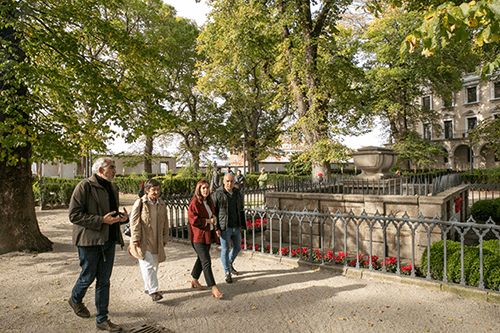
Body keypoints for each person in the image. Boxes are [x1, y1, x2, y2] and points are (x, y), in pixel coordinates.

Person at [68, 157, 128, 332]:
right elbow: (74, 215)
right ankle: (75, 299)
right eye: (111, 168)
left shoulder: (113, 187)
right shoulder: (84, 186)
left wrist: (121, 219)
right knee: (88, 276)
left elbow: (110, 214)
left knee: (104, 280)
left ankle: (102, 319)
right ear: (100, 170)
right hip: (88, 241)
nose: (115, 171)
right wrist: (101, 220)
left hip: (108, 240)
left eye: (114, 167)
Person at [129, 179, 169, 302]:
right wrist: (135, 238)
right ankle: (154, 292)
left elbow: (166, 222)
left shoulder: (161, 204)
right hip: (143, 239)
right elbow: (134, 222)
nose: (156, 192)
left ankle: (148, 287)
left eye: (158, 189)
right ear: (147, 191)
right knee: (148, 265)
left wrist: (165, 237)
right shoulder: (140, 203)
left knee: (155, 265)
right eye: (153, 190)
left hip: (157, 239)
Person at [187, 180, 223, 298]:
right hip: (198, 237)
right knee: (206, 261)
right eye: (203, 188)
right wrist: (207, 221)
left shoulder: (208, 202)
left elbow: (212, 216)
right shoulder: (195, 203)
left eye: (207, 188)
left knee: (201, 259)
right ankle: (213, 287)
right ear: (199, 189)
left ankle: (194, 279)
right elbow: (193, 220)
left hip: (207, 235)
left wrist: (214, 223)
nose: (206, 190)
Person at [212, 173, 247, 283]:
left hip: (235, 226)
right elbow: (214, 212)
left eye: (231, 181)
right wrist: (217, 227)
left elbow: (240, 209)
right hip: (224, 227)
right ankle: (227, 272)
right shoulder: (218, 194)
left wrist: (242, 224)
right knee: (225, 249)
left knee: (237, 247)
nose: (229, 183)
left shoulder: (237, 193)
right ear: (223, 181)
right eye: (227, 181)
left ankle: (229, 264)